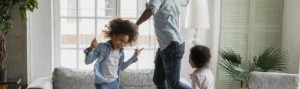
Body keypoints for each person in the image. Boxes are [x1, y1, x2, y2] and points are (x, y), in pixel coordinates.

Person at [136, 0, 191, 89]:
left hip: (172, 45)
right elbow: (186, 2)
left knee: (173, 84)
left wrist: (136, 25)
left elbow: (150, 10)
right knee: (158, 80)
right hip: (164, 46)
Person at [84, 17, 142, 89]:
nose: (122, 44)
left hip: (114, 83)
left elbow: (121, 67)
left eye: (125, 43)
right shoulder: (101, 47)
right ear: (114, 36)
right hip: (102, 83)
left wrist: (134, 56)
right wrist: (91, 48)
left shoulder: (121, 53)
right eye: (121, 40)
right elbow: (87, 61)